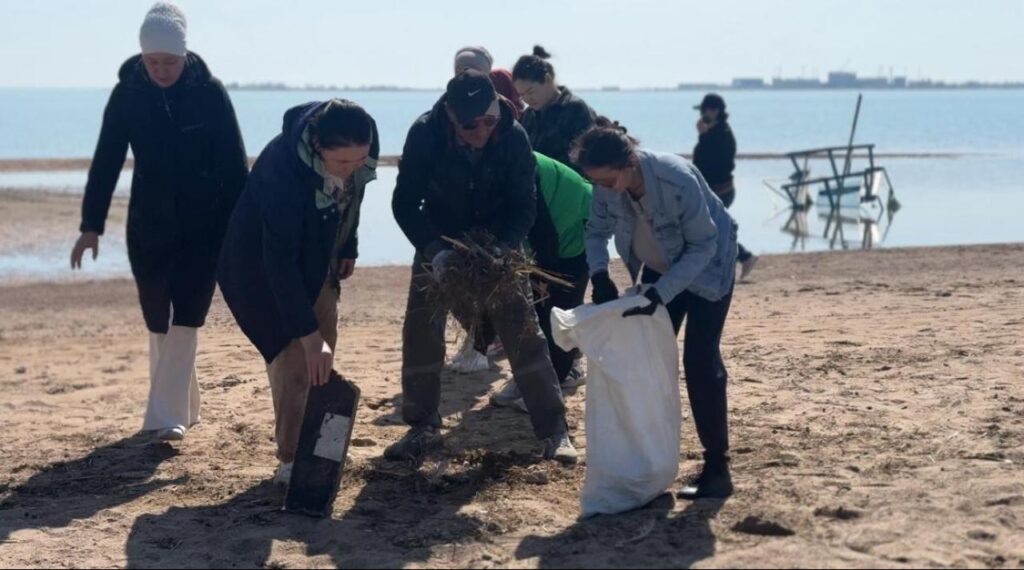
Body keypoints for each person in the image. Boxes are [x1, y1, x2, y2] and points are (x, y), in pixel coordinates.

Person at [70, 2, 248, 443]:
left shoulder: (210, 93)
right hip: (149, 223)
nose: (161, 70)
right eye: (153, 62)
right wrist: (91, 225)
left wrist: (242, 228)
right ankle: (183, 405)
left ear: (184, 55)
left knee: (188, 312)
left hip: (205, 224)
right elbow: (106, 160)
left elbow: (233, 164)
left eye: (169, 61)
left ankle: (166, 417)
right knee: (157, 317)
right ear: (142, 56)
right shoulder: (127, 95)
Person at [390, 70, 577, 464]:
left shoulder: (513, 135)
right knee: (421, 331)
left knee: (524, 332)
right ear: (450, 114)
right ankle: (422, 426)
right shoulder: (425, 133)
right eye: (470, 125)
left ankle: (554, 430)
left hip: (496, 243)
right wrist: (435, 251)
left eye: (488, 121)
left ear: (497, 109)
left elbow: (525, 204)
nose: (481, 132)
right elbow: (405, 203)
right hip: (440, 239)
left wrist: (504, 246)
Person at [217, 100, 379, 486]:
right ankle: (290, 459)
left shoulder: (362, 144)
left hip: (318, 255)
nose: (352, 168)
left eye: (360, 159)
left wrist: (348, 245)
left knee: (323, 357)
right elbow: (280, 263)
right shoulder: (281, 171)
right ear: (318, 147)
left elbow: (352, 197)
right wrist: (308, 336)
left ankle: (318, 445)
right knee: (295, 358)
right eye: (342, 162)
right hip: (261, 268)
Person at [575, 124, 739, 499]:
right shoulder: (605, 184)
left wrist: (662, 294)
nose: (603, 189)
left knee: (700, 361)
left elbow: (704, 245)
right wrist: (599, 274)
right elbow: (596, 232)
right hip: (660, 265)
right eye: (595, 182)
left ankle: (717, 468)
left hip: (710, 266)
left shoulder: (676, 177)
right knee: (644, 357)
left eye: (608, 180)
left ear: (629, 163)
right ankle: (648, 461)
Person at [489, 152, 593, 411]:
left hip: (572, 227)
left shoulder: (517, 164)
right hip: (544, 232)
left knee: (558, 314)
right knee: (532, 314)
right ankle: (529, 380)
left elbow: (543, 230)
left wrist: (544, 274)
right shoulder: (484, 164)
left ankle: (556, 382)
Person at [693, 93, 758, 280]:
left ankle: (744, 257)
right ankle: (742, 257)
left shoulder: (721, 134)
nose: (702, 115)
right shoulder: (714, 132)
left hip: (721, 190)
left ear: (715, 111)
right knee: (714, 229)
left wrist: (703, 136)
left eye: (705, 110)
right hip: (716, 189)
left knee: (715, 230)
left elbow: (711, 162)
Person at [513, 45, 597, 169]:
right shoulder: (528, 115)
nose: (527, 99)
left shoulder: (576, 109)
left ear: (547, 79)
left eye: (530, 92)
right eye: (521, 95)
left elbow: (588, 158)